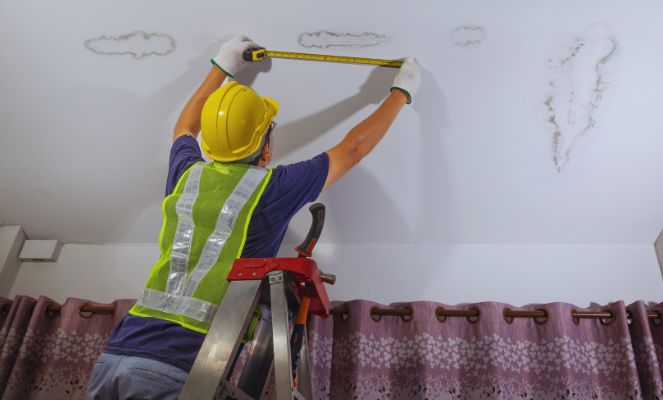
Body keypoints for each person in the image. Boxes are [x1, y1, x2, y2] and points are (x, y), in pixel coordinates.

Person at [86, 35, 420, 399]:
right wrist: (401, 92)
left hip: (115, 358)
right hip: (175, 370)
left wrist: (221, 68)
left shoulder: (187, 173)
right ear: (265, 146)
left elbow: (184, 127)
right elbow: (352, 149)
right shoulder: (271, 188)